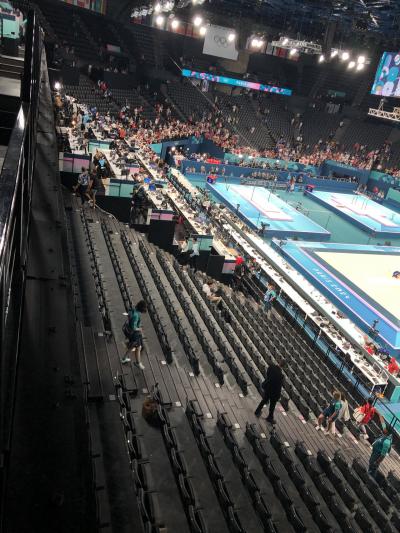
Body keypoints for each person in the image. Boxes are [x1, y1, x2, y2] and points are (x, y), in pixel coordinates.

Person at [254, 360, 285, 424]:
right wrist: (278, 396)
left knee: (264, 400)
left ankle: (257, 411)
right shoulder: (281, 375)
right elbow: (278, 387)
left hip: (268, 388)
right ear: (283, 367)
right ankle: (270, 418)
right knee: (272, 406)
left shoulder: (271, 367)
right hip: (274, 392)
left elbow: (268, 375)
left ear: (279, 363)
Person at [122, 300, 147, 369]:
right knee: (138, 347)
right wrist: (140, 329)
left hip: (132, 333)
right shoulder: (136, 315)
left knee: (133, 346)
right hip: (134, 334)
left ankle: (124, 358)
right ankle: (138, 363)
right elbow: (134, 327)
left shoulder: (133, 310)